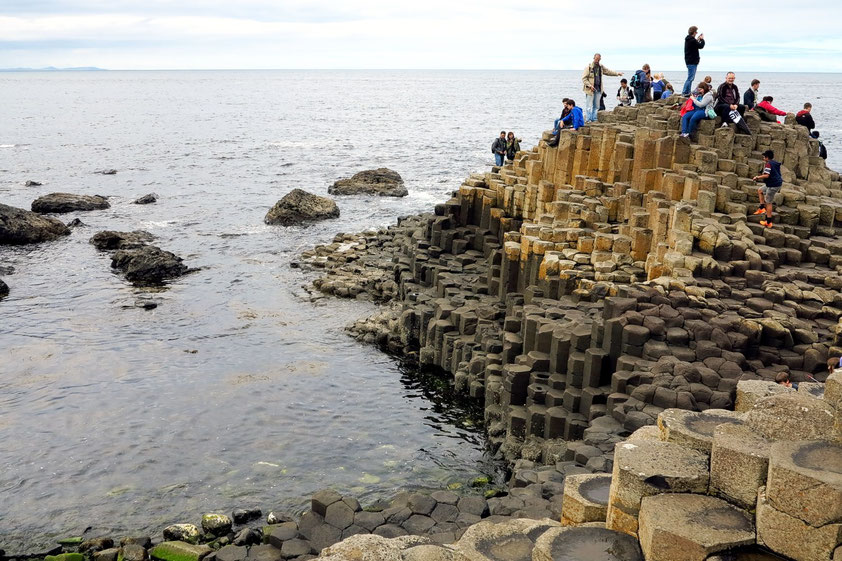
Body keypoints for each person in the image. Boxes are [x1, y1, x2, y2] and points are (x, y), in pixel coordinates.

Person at [582, 53, 622, 122]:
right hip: (590, 90)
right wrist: (589, 85)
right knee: (589, 105)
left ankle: (594, 119)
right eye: (596, 59)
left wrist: (617, 74)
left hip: (598, 89)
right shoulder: (588, 67)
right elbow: (584, 79)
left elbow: (608, 71)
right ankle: (588, 119)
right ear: (593, 58)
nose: (597, 60)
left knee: (597, 106)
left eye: (598, 59)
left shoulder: (601, 67)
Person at [752, 149, 783, 229]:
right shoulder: (774, 163)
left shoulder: (768, 164)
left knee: (768, 202)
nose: (763, 158)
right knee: (760, 190)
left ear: (767, 157)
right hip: (774, 183)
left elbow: (767, 175)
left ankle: (768, 222)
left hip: (773, 185)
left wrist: (757, 177)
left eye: (764, 157)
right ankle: (762, 208)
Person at [683, 26, 705, 96]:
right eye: (696, 32)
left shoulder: (689, 40)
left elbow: (695, 44)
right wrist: (702, 39)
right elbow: (700, 46)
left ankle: (687, 92)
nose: (696, 33)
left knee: (690, 78)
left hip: (690, 61)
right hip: (692, 61)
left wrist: (697, 39)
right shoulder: (692, 40)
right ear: (694, 32)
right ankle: (685, 92)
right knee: (690, 78)